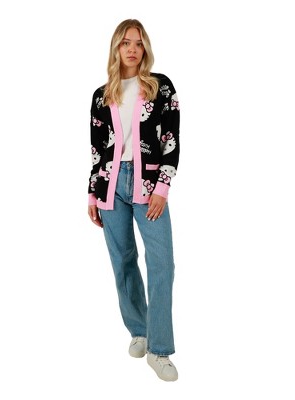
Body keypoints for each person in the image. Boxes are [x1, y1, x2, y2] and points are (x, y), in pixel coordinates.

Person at [87, 18, 180, 382]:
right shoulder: (101, 95)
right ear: (116, 47)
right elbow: (97, 151)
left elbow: (171, 140)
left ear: (145, 48)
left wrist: (162, 188)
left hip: (148, 185)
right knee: (123, 262)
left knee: (162, 264)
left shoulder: (160, 86)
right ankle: (139, 330)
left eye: (138, 43)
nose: (132, 49)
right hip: (110, 188)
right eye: (126, 42)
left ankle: (160, 349)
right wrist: (92, 193)